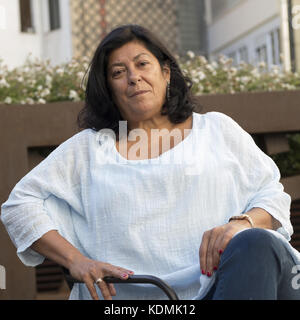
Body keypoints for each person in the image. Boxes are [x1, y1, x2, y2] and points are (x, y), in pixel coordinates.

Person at [1, 24, 300, 300]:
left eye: (142, 64)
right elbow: (20, 205)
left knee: (256, 244)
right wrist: (76, 260)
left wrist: (241, 224)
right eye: (118, 72)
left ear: (166, 72)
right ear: (109, 88)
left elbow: (272, 194)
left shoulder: (217, 129)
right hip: (142, 300)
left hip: (231, 282)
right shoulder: (90, 149)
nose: (133, 77)